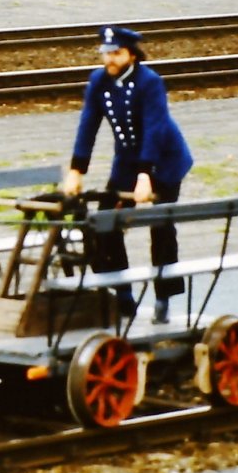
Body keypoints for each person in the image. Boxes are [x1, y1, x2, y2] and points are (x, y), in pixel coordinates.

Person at [62, 25, 194, 324]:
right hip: (127, 160)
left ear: (131, 55)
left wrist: (146, 174)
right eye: (106, 53)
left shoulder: (149, 82)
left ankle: (163, 298)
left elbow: (155, 127)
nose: (109, 59)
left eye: (116, 53)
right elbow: (88, 124)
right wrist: (76, 169)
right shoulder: (99, 81)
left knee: (160, 226)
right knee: (104, 226)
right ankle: (122, 297)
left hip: (164, 160)